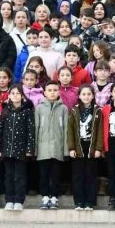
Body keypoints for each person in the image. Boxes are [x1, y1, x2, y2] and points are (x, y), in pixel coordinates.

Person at [0, 85, 35, 210]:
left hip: (21, 151)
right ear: (9, 96)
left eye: (18, 93)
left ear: (22, 96)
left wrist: (30, 149)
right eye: (13, 93)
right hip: (7, 151)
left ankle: (19, 200)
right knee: (9, 176)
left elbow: (31, 131)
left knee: (20, 176)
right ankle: (9, 200)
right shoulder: (5, 111)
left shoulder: (27, 112)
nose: (15, 95)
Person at [67, 84, 104, 210]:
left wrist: (99, 148)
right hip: (78, 146)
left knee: (91, 175)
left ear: (93, 96)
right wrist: (71, 148)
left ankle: (90, 202)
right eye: (83, 94)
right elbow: (70, 130)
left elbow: (100, 130)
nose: (86, 97)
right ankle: (78, 201)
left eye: (89, 94)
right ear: (79, 96)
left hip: (92, 146)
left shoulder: (98, 110)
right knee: (78, 175)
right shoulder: (74, 110)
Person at [35, 80, 69, 210]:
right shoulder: (39, 108)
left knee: (55, 175)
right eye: (49, 90)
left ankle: (54, 197)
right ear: (45, 92)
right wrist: (35, 149)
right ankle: (45, 197)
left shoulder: (63, 108)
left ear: (58, 91)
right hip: (43, 148)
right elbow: (36, 128)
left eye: (55, 90)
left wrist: (65, 150)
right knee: (43, 175)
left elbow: (66, 129)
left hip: (57, 147)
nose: (52, 93)